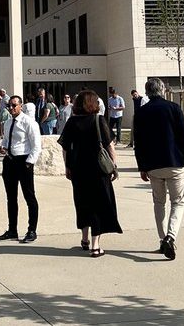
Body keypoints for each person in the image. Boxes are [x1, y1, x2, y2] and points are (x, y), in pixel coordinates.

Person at [58, 90, 122, 257]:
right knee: (98, 205)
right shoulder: (98, 120)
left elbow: (65, 147)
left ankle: (85, 239)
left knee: (82, 202)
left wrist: (67, 166)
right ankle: (95, 245)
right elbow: (109, 145)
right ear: (94, 104)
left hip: (78, 168)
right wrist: (113, 166)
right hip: (98, 169)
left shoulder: (72, 122)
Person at [133, 78, 184, 261]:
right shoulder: (173, 108)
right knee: (178, 202)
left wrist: (142, 166)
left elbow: (138, 142)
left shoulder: (141, 112)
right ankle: (170, 236)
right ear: (163, 90)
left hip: (153, 165)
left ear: (147, 92)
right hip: (175, 162)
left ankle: (162, 239)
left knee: (159, 202)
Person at [0, 95, 41, 244]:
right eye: (10, 105)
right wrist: (3, 147)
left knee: (29, 197)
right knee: (11, 197)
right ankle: (12, 230)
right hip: (10, 161)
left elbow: (36, 146)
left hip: (24, 161)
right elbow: (7, 140)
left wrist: (29, 163)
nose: (11, 108)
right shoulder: (8, 122)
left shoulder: (29, 122)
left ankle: (32, 230)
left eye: (14, 105)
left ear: (21, 106)